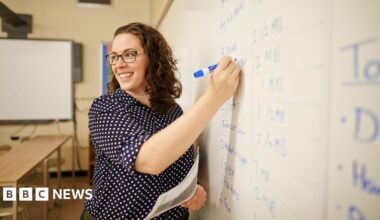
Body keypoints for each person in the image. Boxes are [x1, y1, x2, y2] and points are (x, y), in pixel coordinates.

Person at [83, 22, 241, 220]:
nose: (118, 64)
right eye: (114, 56)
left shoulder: (173, 111)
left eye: (129, 54)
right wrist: (215, 96)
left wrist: (193, 191)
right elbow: (150, 160)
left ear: (154, 58)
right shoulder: (105, 108)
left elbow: (175, 166)